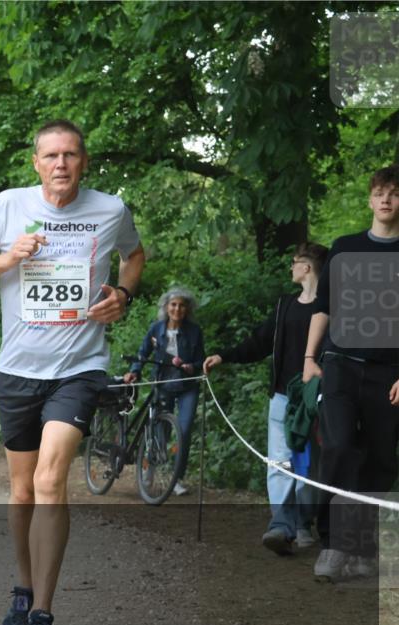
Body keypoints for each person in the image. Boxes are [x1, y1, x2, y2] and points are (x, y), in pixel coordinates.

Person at [0, 119, 145, 625]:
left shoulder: (110, 209)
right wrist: (9, 258)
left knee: (49, 479)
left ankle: (42, 615)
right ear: (36, 162)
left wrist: (124, 295)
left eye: (70, 155)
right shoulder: (9, 205)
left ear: (83, 161)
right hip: (19, 368)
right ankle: (22, 590)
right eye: (51, 155)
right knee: (21, 491)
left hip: (79, 366)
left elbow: (134, 258)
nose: (61, 164)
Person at [302, 165, 399, 582]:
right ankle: (333, 545)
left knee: (379, 463)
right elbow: (322, 308)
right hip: (340, 365)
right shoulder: (344, 248)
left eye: (394, 193)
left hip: (388, 373)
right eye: (379, 192)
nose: (386, 200)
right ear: (369, 199)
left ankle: (363, 550)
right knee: (339, 449)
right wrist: (309, 358)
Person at [203, 242, 328, 554]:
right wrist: (224, 356)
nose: (291, 268)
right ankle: (281, 527)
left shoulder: (331, 309)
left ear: (307, 267)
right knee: (279, 463)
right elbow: (259, 342)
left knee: (310, 467)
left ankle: (302, 523)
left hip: (317, 399)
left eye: (294, 262)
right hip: (283, 398)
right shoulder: (285, 305)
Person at [124, 287, 204, 497]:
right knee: (160, 429)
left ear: (187, 309)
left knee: (183, 430)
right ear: (166, 307)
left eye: (181, 305)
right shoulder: (155, 329)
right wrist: (134, 371)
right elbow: (143, 353)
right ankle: (150, 470)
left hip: (187, 384)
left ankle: (176, 478)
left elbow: (200, 360)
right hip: (162, 382)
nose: (177, 309)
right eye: (173, 304)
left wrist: (191, 367)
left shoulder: (195, 331)